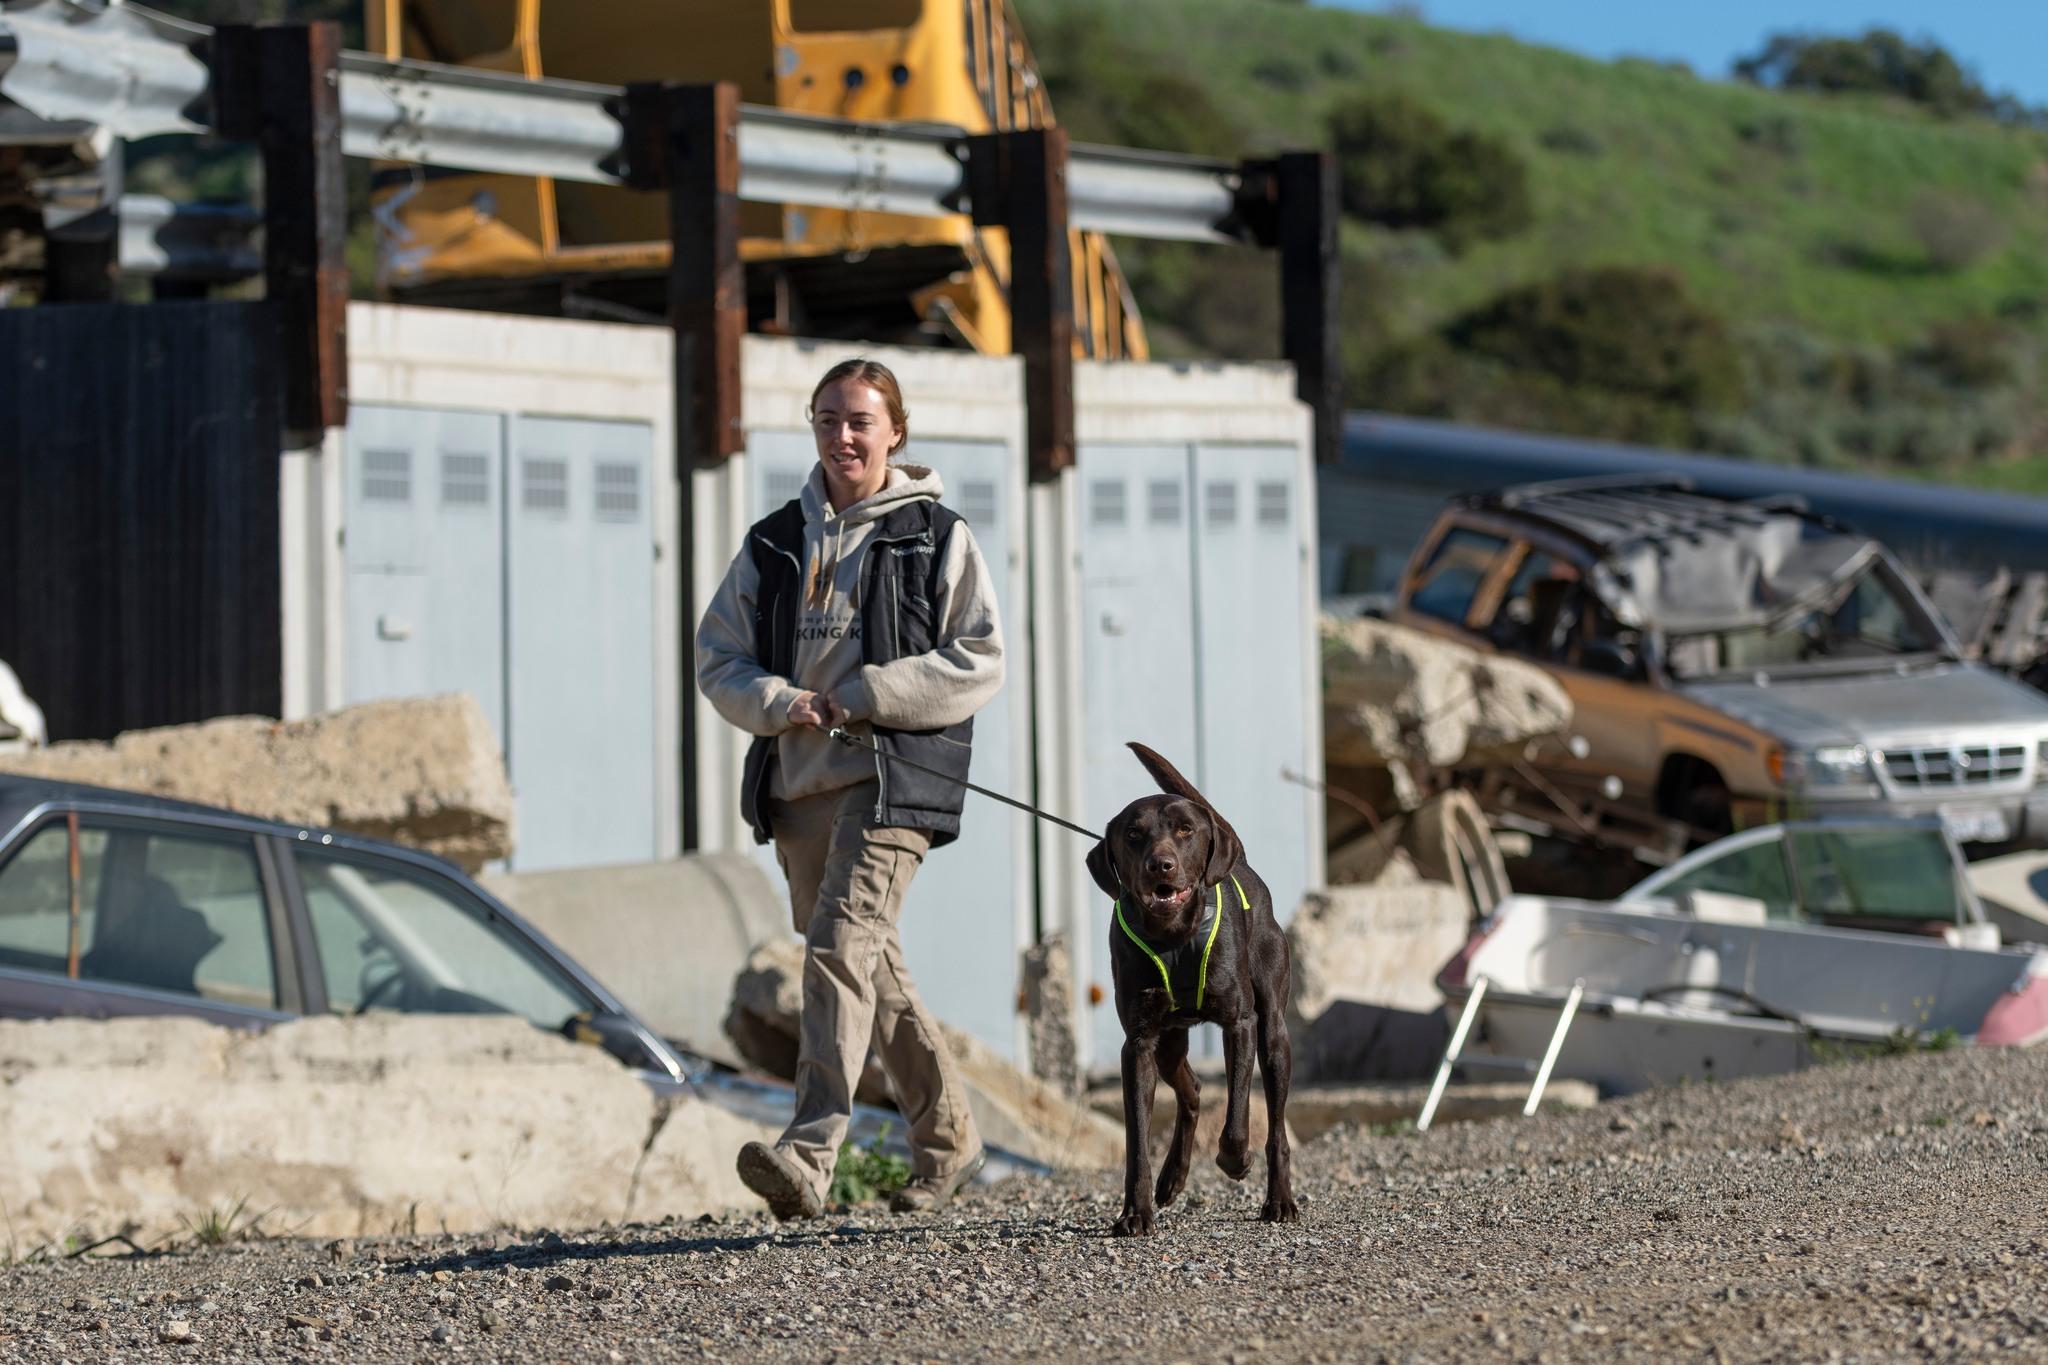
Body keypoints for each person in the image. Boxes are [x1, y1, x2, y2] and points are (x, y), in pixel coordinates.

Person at [696, 357, 1004, 1219]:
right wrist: (778, 700)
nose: (843, 436)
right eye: (827, 419)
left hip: (894, 779)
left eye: (860, 420)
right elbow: (717, 656)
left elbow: (980, 658)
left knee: (837, 943)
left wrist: (870, 693)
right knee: (873, 963)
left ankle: (809, 1155)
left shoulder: (936, 535)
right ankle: (950, 1141)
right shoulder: (773, 541)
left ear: (895, 432)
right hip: (800, 787)